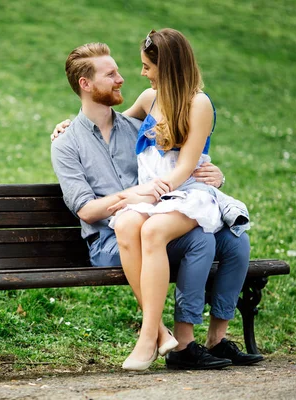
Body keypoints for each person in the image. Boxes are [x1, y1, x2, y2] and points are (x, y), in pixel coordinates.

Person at [51, 37, 263, 371]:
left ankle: (204, 341)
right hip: (113, 235)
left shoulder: (136, 120)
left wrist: (213, 174)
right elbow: (88, 210)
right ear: (86, 84)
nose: (127, 77)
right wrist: (130, 196)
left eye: (141, 67)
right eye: (112, 74)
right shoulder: (68, 142)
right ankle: (165, 336)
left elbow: (178, 152)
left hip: (160, 208)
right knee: (181, 235)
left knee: (234, 241)